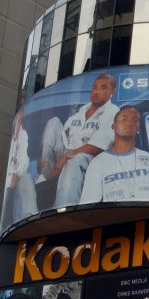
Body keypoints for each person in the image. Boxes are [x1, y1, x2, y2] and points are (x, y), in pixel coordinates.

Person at [36, 73, 119, 208]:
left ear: (112, 92)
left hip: (88, 161)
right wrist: (47, 162)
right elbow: (60, 140)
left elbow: (95, 147)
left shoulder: (113, 113)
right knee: (54, 122)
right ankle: (47, 171)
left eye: (103, 88)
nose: (96, 92)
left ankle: (64, 208)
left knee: (76, 160)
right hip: (66, 157)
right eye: (94, 88)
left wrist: (65, 157)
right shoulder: (79, 113)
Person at [79, 106, 149, 204]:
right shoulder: (98, 163)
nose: (130, 123)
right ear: (113, 126)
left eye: (135, 120)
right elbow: (88, 206)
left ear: (138, 128)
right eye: (124, 119)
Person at [3, 110, 37, 226]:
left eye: (21, 120)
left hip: (15, 178)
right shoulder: (8, 137)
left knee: (26, 177)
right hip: (5, 182)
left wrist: (16, 174)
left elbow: (24, 158)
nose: (19, 121)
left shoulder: (23, 134)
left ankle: (31, 217)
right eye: (18, 119)